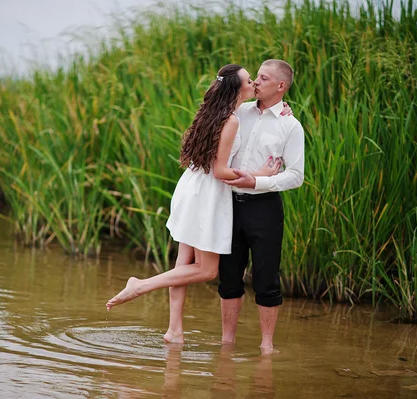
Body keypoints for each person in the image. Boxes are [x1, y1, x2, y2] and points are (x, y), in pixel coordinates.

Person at [105, 64, 284, 315]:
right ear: (235, 89)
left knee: (183, 263)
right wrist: (260, 175)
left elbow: (259, 112)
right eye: (248, 81)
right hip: (207, 194)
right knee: (207, 270)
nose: (253, 83)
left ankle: (174, 330)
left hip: (191, 186)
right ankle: (140, 285)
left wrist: (282, 108)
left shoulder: (214, 112)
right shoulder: (231, 120)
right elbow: (221, 171)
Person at [218, 59, 305, 354]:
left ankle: (267, 346)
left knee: (267, 278)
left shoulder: (290, 126)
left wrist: (256, 183)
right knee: (229, 276)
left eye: (263, 78)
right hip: (229, 205)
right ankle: (227, 342)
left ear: (281, 86)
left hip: (265, 208)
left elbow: (295, 176)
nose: (256, 82)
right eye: (255, 76)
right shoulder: (239, 112)